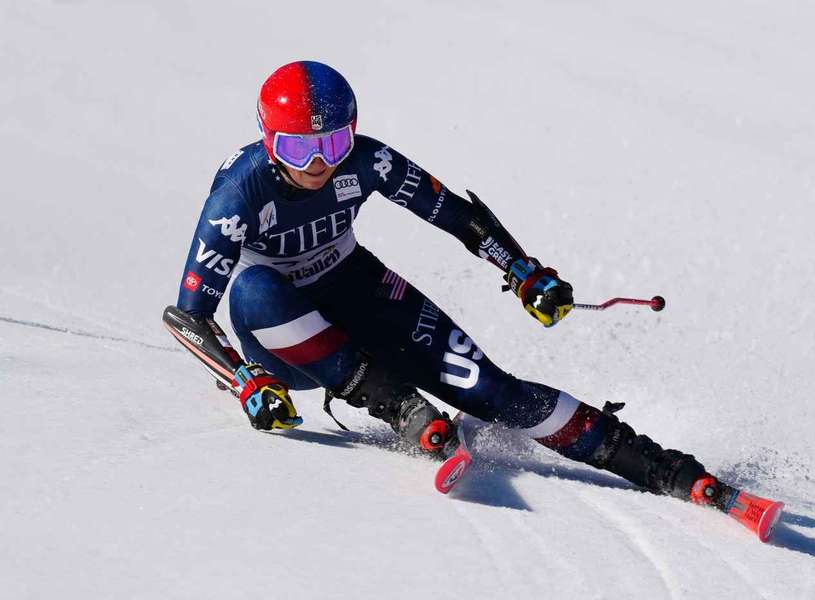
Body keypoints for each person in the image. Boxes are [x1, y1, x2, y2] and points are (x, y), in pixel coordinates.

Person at [167, 60, 739, 513]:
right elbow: (188, 316)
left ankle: (662, 467)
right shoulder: (235, 199)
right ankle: (403, 409)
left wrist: (520, 271)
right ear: (269, 142)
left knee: (497, 391)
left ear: (353, 134)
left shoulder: (369, 162)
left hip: (356, 288)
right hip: (286, 344)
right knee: (253, 289)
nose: (318, 163)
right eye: (297, 149)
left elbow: (453, 215)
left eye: (334, 144)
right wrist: (243, 379)